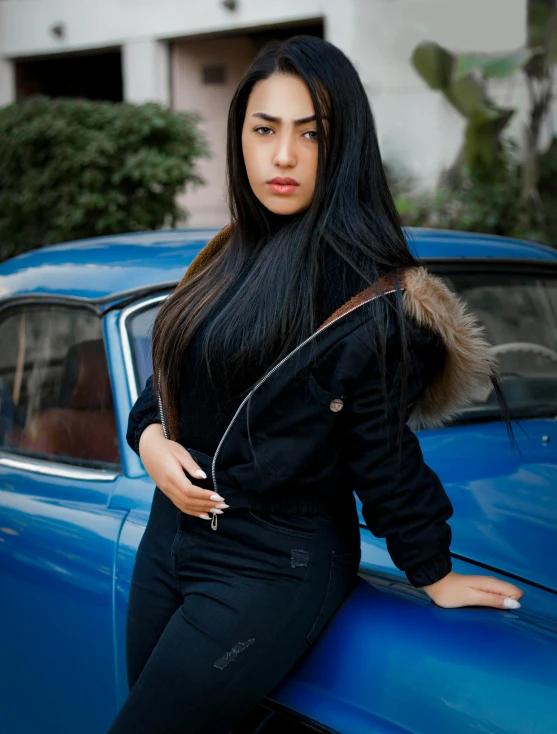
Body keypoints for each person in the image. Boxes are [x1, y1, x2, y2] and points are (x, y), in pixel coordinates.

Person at [107, 35, 523, 734]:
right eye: (264, 129)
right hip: (167, 540)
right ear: (239, 134)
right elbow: (171, 378)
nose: (282, 156)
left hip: (273, 562)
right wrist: (148, 438)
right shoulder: (227, 254)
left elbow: (381, 450)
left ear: (344, 146)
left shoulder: (366, 291)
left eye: (311, 134)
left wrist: (432, 571)